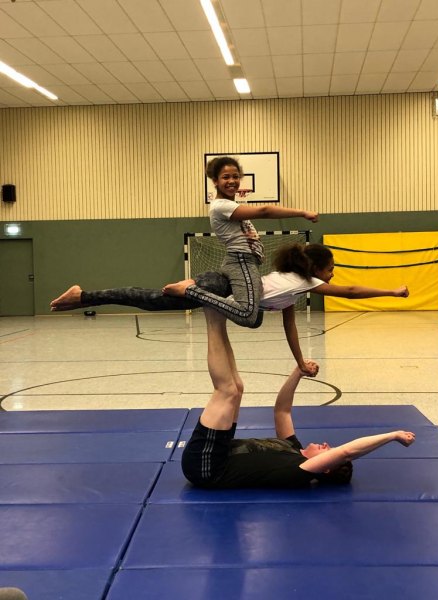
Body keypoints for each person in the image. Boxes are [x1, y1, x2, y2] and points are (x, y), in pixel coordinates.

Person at [49, 243, 409, 376]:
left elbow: (290, 327)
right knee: (155, 300)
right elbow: (351, 291)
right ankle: (84, 295)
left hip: (222, 287)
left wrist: (300, 362)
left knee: (154, 301)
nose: (332, 275)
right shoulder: (306, 282)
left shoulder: (293, 287)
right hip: (218, 284)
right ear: (315, 269)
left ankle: (85, 297)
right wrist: (391, 292)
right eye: (330, 268)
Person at [181, 307, 416, 489]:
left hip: (207, 467)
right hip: (219, 451)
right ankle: (219, 316)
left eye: (328, 452)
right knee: (238, 388)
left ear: (325, 467)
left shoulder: (299, 470)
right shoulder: (293, 447)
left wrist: (392, 435)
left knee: (227, 392)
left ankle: (212, 314)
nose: (327, 445)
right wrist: (298, 372)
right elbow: (281, 410)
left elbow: (347, 452)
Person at [162, 156, 319, 328]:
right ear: (215, 181)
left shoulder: (231, 206)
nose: (232, 181)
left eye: (235, 176)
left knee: (255, 319)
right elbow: (265, 211)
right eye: (226, 177)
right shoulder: (221, 206)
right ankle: (190, 290)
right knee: (247, 315)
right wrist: (302, 212)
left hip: (248, 262)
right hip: (240, 260)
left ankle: (206, 293)